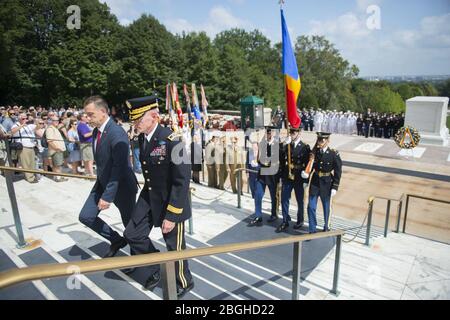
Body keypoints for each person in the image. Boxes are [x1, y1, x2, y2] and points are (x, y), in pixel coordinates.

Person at [123, 95, 194, 298]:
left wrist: (171, 215)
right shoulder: (142, 138)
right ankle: (157, 265)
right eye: (134, 120)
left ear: (153, 116)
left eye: (138, 120)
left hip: (172, 202)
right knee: (132, 234)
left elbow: (182, 180)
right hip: (150, 195)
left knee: (175, 247)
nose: (135, 124)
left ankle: (184, 280)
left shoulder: (173, 140)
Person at [78, 96, 138, 258]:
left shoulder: (116, 133)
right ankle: (116, 240)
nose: (87, 118)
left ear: (103, 112)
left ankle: (140, 258)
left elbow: (120, 167)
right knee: (86, 216)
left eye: (90, 114)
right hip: (103, 182)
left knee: (131, 226)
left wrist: (107, 197)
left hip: (122, 187)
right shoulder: (98, 130)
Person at [302, 132, 342, 233]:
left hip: (327, 182)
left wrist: (335, 186)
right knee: (311, 206)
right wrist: (306, 180)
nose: (320, 142)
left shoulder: (333, 154)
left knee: (326, 207)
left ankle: (326, 226)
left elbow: (338, 171)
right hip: (315, 182)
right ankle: (312, 228)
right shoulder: (314, 153)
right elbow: (310, 167)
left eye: (322, 140)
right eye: (319, 140)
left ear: (327, 141)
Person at [277, 127, 310, 233]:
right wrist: (283, 145)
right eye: (290, 132)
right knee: (284, 199)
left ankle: (300, 220)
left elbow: (308, 163)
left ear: (299, 133)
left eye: (294, 132)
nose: (291, 134)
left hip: (299, 176)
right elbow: (280, 157)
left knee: (300, 200)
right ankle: (285, 220)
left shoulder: (305, 147)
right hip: (287, 175)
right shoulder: (288, 145)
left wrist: (306, 179)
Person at [248, 127, 280, 226]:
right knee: (258, 194)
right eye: (267, 132)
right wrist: (255, 161)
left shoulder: (278, 145)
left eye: (270, 133)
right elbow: (259, 155)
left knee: (273, 196)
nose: (268, 134)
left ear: (274, 133)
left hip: (272, 174)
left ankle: (274, 214)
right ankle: (258, 215)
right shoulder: (262, 143)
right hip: (262, 173)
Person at [10, 113, 39, 183]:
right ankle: (30, 178)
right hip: (23, 147)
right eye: (23, 119)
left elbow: (38, 127)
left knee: (32, 163)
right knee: (25, 163)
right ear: (19, 119)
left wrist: (35, 120)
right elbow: (12, 132)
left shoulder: (29, 126)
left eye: (26, 118)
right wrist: (22, 125)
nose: (25, 120)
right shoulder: (15, 125)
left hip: (31, 146)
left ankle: (32, 176)